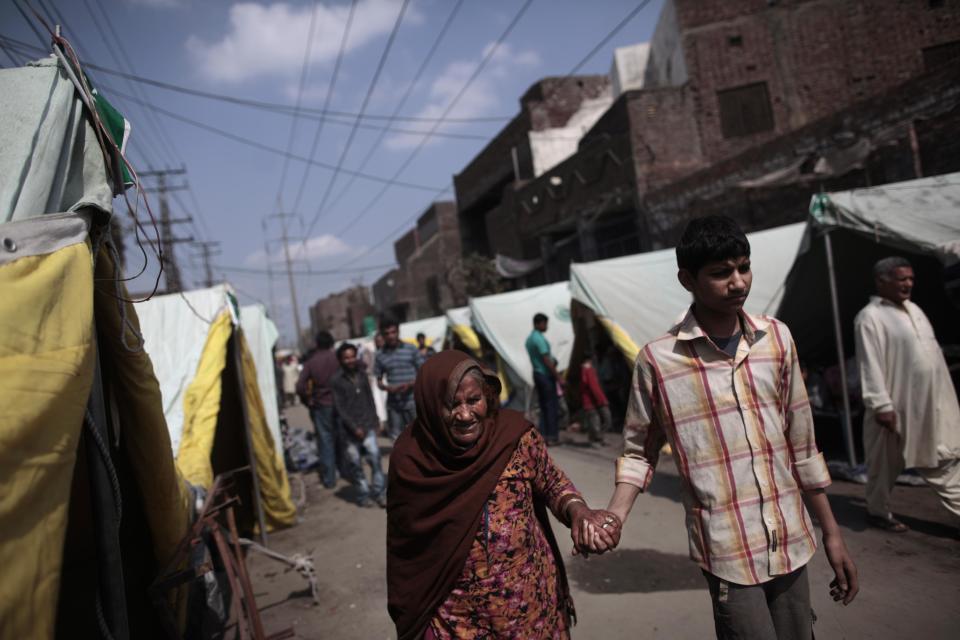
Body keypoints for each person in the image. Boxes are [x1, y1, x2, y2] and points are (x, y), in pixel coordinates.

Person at [594, 216, 858, 639]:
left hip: (790, 534)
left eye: (744, 267)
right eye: (721, 273)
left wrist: (832, 534)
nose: (738, 282)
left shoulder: (776, 339)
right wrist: (615, 515)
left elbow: (802, 444)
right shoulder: (658, 361)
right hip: (726, 548)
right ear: (687, 279)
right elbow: (638, 451)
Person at [386, 350, 621, 640]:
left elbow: (552, 482)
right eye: (451, 405)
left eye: (474, 400)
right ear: (431, 407)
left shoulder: (514, 436)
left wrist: (579, 512)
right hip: (456, 620)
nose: (464, 414)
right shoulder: (411, 460)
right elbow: (404, 551)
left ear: (487, 396)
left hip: (531, 606)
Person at [854, 256, 960, 533]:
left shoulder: (915, 310)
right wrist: (881, 405)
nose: (908, 284)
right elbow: (870, 364)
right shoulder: (870, 317)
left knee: (942, 459)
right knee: (883, 465)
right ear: (882, 281)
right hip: (893, 407)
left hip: (930, 404)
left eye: (911, 279)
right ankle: (878, 512)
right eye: (902, 279)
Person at [331, 342, 386, 508]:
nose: (350, 360)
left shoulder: (362, 375)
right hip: (349, 432)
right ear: (340, 360)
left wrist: (376, 420)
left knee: (375, 459)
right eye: (346, 357)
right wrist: (354, 428)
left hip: (367, 425)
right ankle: (363, 495)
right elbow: (339, 408)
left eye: (352, 356)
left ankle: (379, 493)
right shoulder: (336, 381)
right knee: (355, 465)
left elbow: (370, 399)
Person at [296, 331, 340, 489]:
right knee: (342, 438)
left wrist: (308, 401)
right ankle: (347, 471)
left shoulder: (311, 362)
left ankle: (329, 479)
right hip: (341, 405)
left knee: (325, 441)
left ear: (317, 344)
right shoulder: (338, 357)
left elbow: (300, 386)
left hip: (321, 406)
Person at [375, 319, 422, 439]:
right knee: (398, 439)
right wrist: (387, 388)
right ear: (383, 335)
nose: (391, 336)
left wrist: (410, 384)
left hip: (413, 402)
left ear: (398, 331)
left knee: (421, 436)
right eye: (387, 333)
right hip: (394, 405)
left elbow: (423, 373)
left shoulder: (411, 349)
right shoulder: (380, 355)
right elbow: (379, 381)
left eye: (393, 332)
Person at [525, 312, 563, 445]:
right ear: (538, 323)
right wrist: (558, 377)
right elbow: (546, 360)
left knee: (544, 406)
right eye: (544, 323)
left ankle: (544, 435)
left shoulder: (530, 339)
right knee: (551, 406)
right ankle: (552, 436)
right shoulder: (539, 339)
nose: (546, 326)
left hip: (537, 373)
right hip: (545, 375)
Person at [579, 350, 610, 446]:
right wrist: (602, 400)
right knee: (601, 419)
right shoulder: (588, 370)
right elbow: (593, 387)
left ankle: (596, 438)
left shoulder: (584, 370)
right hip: (593, 400)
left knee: (595, 420)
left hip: (591, 400)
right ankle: (597, 439)